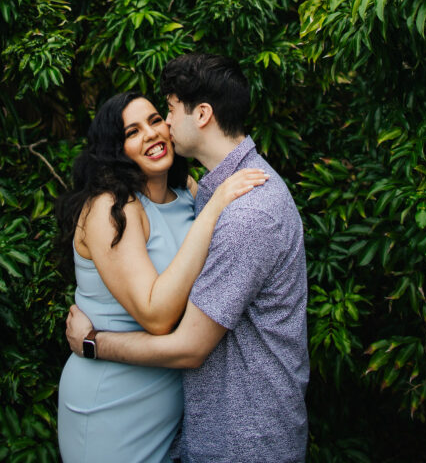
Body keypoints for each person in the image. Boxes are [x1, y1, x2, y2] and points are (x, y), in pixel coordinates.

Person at [66, 53, 309, 463]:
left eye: (165, 113)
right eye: (133, 129)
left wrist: (93, 343)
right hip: (138, 410)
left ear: (201, 115)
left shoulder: (240, 208)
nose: (161, 128)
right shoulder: (212, 193)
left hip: (244, 439)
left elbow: (190, 345)